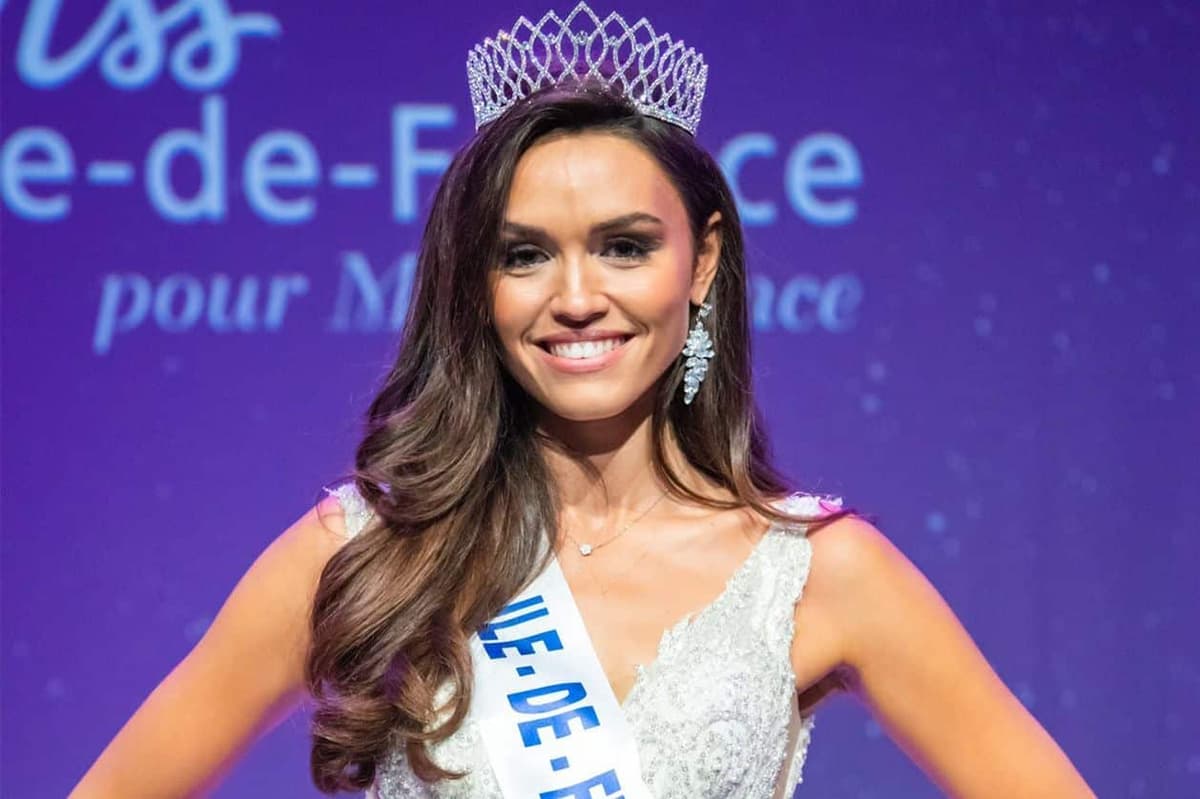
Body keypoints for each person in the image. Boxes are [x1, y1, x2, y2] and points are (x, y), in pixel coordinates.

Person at [71, 3, 1096, 797]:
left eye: (624, 246)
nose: (575, 298)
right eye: (524, 255)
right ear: (477, 282)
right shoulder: (364, 555)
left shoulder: (823, 573)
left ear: (701, 263)